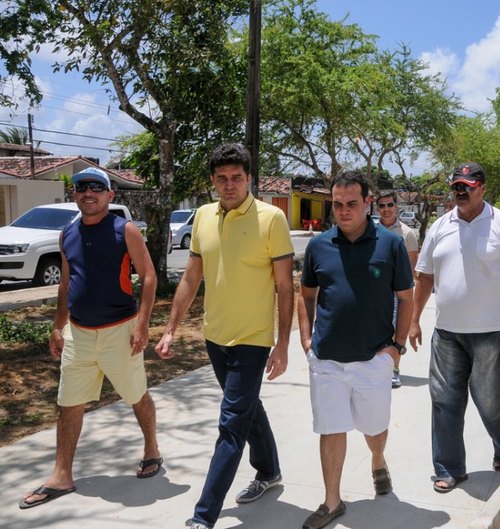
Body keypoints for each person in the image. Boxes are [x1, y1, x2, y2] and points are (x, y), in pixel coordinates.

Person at [154, 143, 294, 529]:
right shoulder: (201, 217)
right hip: (215, 336)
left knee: (231, 423)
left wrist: (282, 343)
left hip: (253, 338)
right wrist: (170, 329)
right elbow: (191, 277)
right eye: (221, 178)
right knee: (248, 409)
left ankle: (204, 515)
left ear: (249, 178)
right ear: (212, 181)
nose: (229, 185)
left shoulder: (271, 219)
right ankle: (269, 472)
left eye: (236, 177)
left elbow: (285, 286)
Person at [19, 167, 161, 509]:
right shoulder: (67, 234)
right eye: (82, 188)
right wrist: (58, 326)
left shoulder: (124, 230)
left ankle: (152, 450)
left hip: (121, 332)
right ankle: (61, 475)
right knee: (68, 403)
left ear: (110, 195)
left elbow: (150, 277)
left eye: (96, 188)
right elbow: (67, 284)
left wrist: (142, 324)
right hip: (79, 334)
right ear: (75, 195)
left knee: (136, 395)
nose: (88, 193)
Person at [298, 170, 414, 529]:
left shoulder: (390, 244)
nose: (343, 211)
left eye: (351, 204)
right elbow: (306, 296)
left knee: (374, 427)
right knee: (331, 429)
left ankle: (377, 459)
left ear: (367, 203)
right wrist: (306, 340)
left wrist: (396, 347)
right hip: (328, 358)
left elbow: (406, 299)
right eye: (337, 204)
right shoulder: (318, 246)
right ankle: (332, 502)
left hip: (373, 358)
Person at [409, 162, 500, 493]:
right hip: (447, 332)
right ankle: (449, 468)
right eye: (456, 186)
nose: (460, 191)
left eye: (468, 186)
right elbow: (425, 276)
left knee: (492, 400)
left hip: (493, 331)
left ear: (482, 188)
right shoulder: (439, 227)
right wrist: (414, 319)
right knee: (444, 399)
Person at [375, 189, 419, 388]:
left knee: (395, 332)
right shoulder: (370, 231)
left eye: (390, 205)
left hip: (396, 293)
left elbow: (410, 269)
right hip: (374, 291)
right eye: (382, 205)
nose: (386, 209)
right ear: (377, 208)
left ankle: (394, 370)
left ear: (396, 207)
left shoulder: (407, 234)